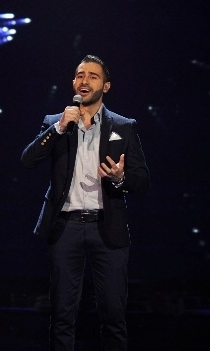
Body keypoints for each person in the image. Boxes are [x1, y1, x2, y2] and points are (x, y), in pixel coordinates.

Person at [21, 54, 151, 351]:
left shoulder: (124, 126)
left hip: (107, 227)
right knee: (62, 315)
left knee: (113, 315)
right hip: (65, 227)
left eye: (93, 76)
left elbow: (142, 180)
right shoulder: (55, 123)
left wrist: (120, 178)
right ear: (73, 83)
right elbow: (27, 160)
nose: (85, 80)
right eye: (80, 75)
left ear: (106, 86)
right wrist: (58, 128)